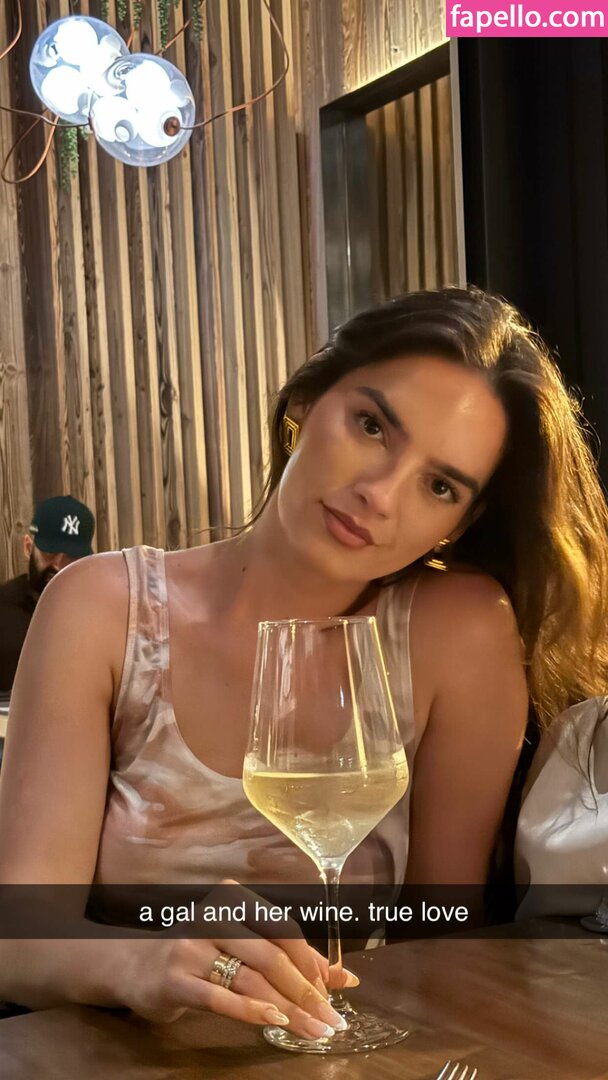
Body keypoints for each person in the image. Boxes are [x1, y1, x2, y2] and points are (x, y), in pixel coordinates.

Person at [1, 287, 607, 1041]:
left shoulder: (460, 633)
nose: (379, 495)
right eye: (372, 426)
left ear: (461, 521)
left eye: (439, 485)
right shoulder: (99, 607)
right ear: (305, 400)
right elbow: (17, 937)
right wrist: (139, 962)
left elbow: (445, 932)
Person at [0, 496, 95, 696]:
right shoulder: (4, 608)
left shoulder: (100, 614)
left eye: (71, 558)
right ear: (28, 547)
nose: (58, 567)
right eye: (50, 554)